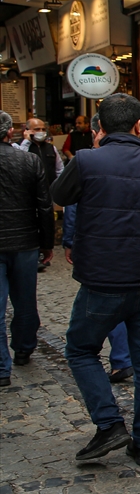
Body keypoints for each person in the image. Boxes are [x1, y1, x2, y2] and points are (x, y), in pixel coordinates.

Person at [51, 94, 140, 466]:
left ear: (99, 127)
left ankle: (108, 423)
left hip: (101, 277)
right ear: (139, 126)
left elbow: (58, 196)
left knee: (80, 349)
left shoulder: (87, 159)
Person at [61, 114, 132, 382]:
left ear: (96, 132)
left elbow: (70, 208)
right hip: (134, 252)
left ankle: (108, 416)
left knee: (83, 340)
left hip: (99, 254)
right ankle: (123, 359)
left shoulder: (84, 161)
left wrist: (69, 242)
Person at [0, 110, 55, 388]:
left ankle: (1, 366)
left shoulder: (29, 159)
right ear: (10, 133)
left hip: (16, 241)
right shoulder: (29, 160)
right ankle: (23, 347)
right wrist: (47, 243)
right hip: (24, 242)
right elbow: (44, 206)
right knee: (24, 300)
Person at [16, 117, 63, 271]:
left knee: (46, 223)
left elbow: (59, 170)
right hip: (27, 194)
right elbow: (18, 162)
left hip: (47, 192)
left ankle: (44, 252)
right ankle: (32, 255)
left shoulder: (51, 149)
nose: (41, 132)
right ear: (27, 131)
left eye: (43, 129)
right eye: (36, 129)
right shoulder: (21, 147)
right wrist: (27, 142)